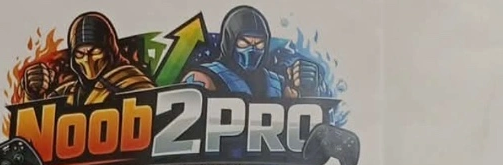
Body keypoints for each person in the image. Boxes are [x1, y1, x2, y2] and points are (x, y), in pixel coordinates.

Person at [182, 5, 323, 99]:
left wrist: (307, 90)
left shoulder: (276, 83)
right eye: (244, 42)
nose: (252, 49)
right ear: (230, 40)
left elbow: (302, 115)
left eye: (259, 43)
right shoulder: (205, 77)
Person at [22, 12, 154, 105]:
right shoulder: (68, 92)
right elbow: (37, 124)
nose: (87, 60)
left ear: (109, 51)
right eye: (80, 54)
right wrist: (33, 94)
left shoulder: (132, 83)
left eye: (95, 51)